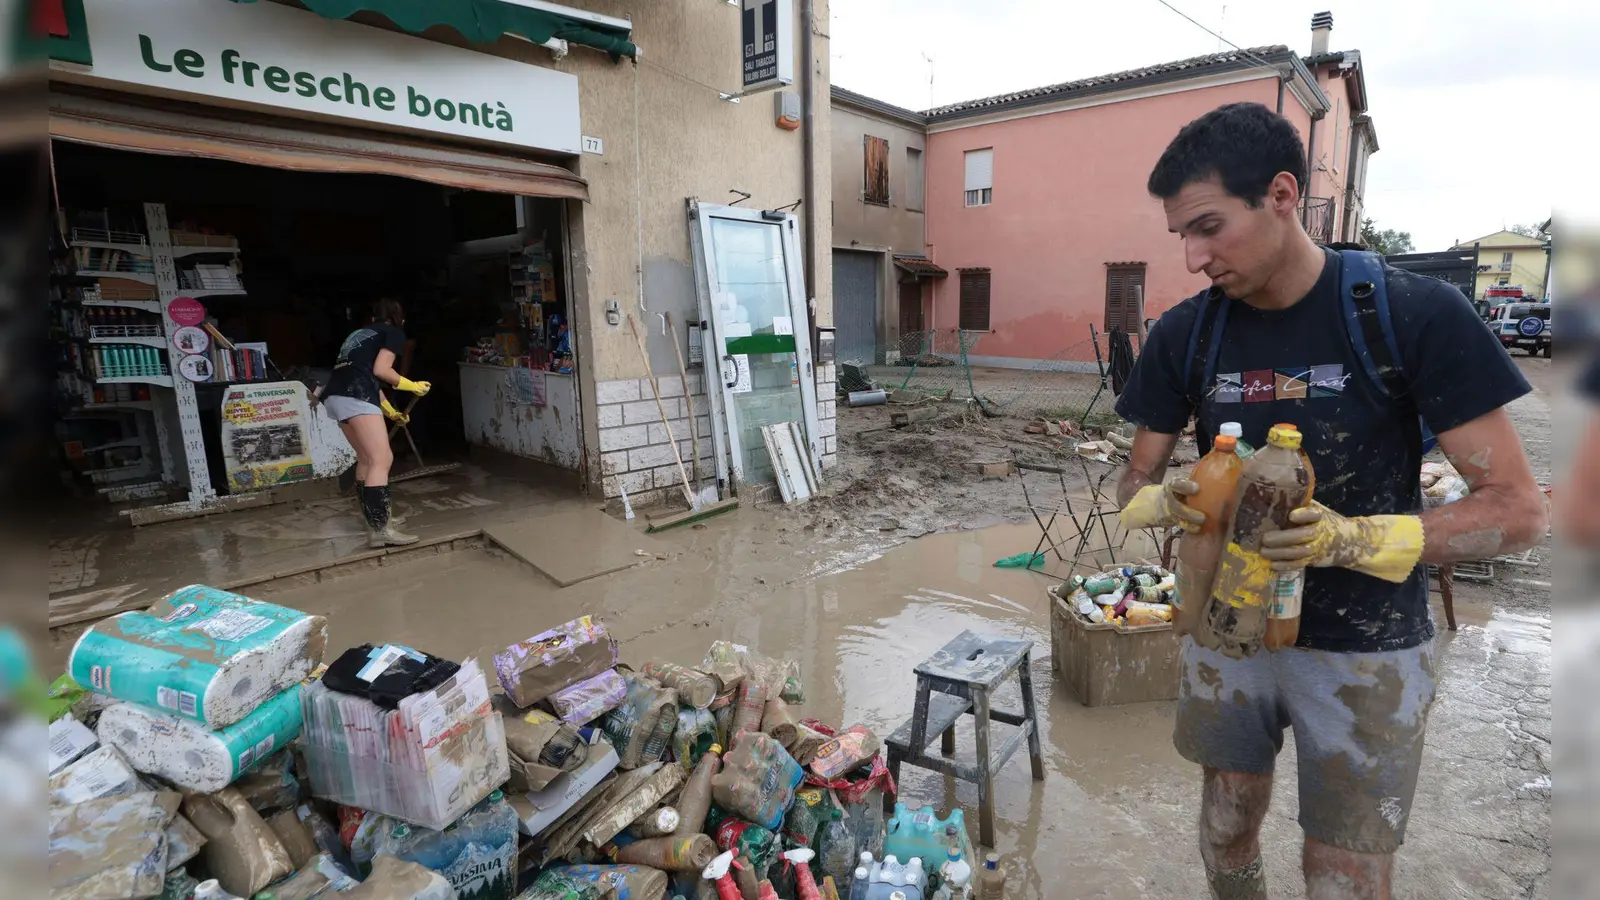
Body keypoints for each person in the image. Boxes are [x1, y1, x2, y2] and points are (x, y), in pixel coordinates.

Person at [1113, 102, 1547, 899]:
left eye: (1208, 226)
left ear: (1281, 194)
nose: (1192, 257)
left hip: (1365, 647)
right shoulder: (1187, 335)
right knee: (1224, 823)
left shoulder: (1410, 315)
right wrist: (1164, 499)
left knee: (1342, 872)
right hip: (1228, 631)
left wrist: (1351, 539)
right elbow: (1133, 482)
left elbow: (1517, 511)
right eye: (1181, 233)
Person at [319, 298, 430, 547]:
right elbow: (382, 370)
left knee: (367, 460)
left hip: (336, 396)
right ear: (399, 318)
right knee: (382, 459)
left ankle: (376, 518)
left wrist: (390, 411)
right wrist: (412, 385)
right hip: (355, 396)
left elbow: (366, 375)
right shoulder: (393, 332)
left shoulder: (360, 334)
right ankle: (380, 529)